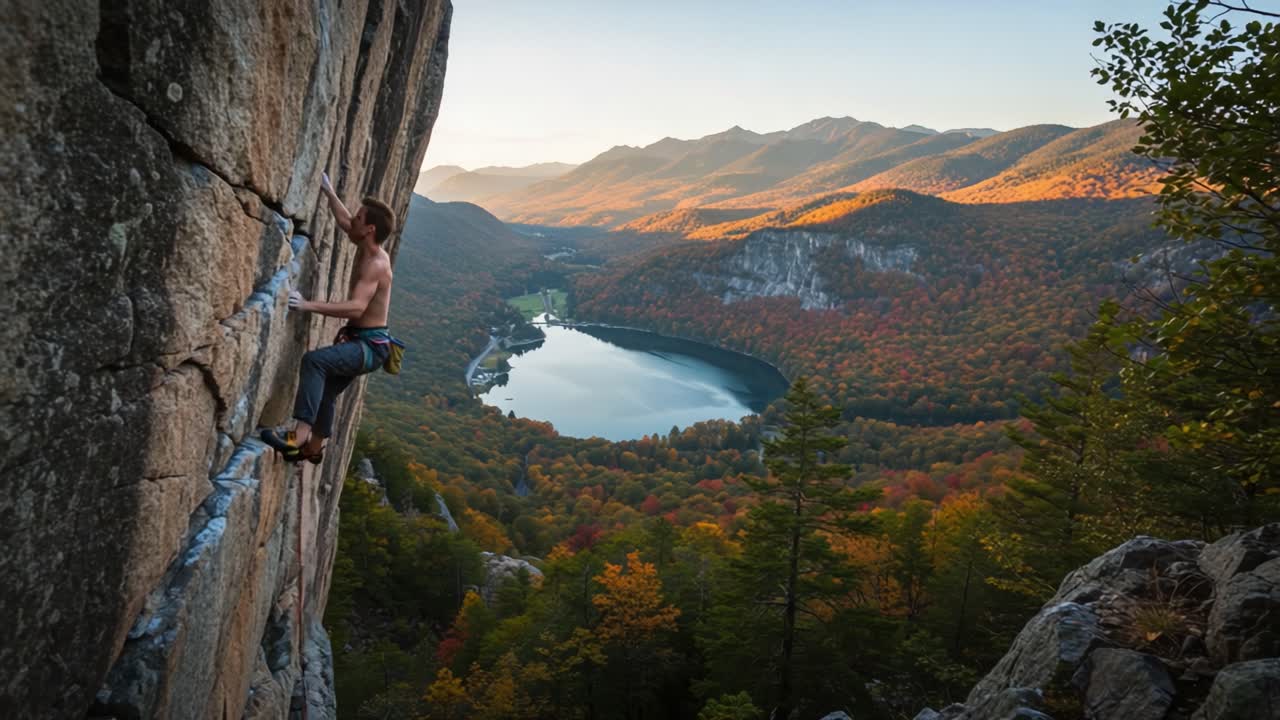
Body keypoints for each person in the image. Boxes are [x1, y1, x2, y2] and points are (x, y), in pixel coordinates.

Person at [261, 172, 396, 464]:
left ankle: (297, 439)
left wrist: (308, 305)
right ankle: (313, 449)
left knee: (315, 362)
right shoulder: (366, 242)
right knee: (325, 394)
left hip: (368, 347)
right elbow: (346, 222)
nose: (353, 221)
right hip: (364, 342)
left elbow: (356, 308)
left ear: (370, 229)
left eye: (360, 218)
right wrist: (329, 192)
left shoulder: (375, 264)